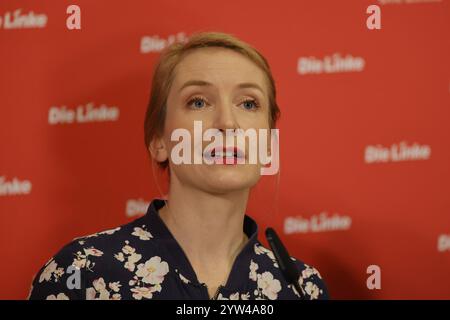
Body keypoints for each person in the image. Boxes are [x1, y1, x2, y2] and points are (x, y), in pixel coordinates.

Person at [28, 32, 329, 300]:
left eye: (248, 104)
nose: (227, 122)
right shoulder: (82, 273)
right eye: (198, 102)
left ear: (267, 145)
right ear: (159, 141)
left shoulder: (302, 289)